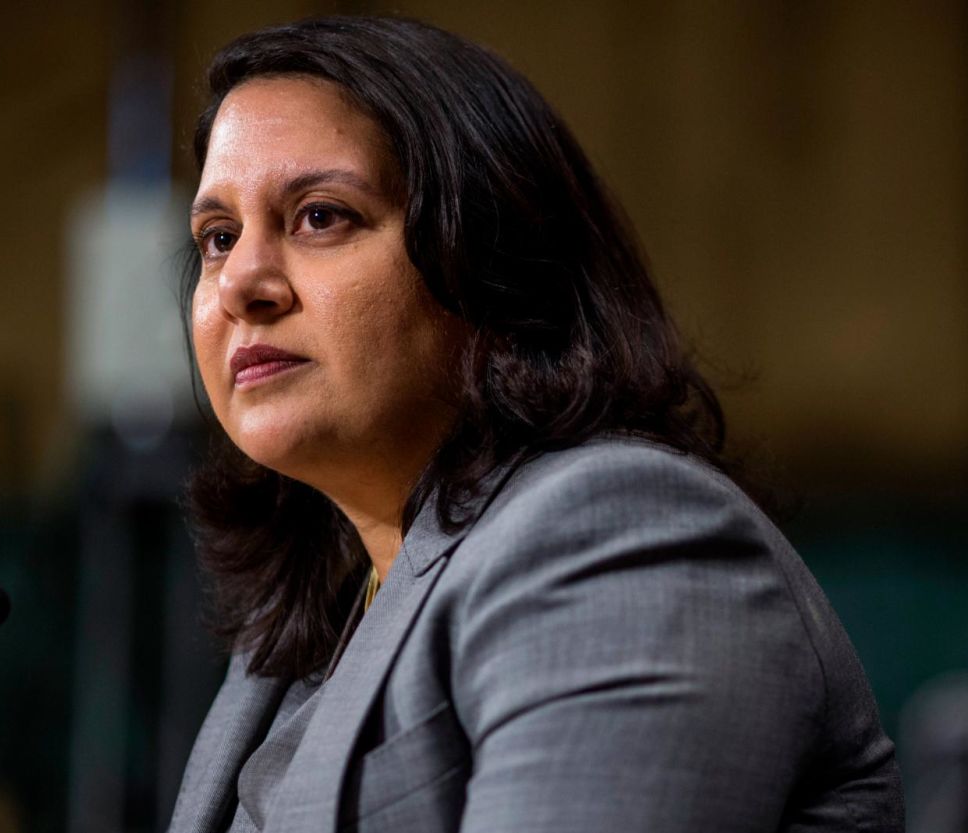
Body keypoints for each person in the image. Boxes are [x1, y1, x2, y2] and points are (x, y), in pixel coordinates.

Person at [168, 15, 903, 833]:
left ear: (489, 261)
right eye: (219, 237)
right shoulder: (311, 611)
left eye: (321, 216)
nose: (242, 283)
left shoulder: (616, 536)